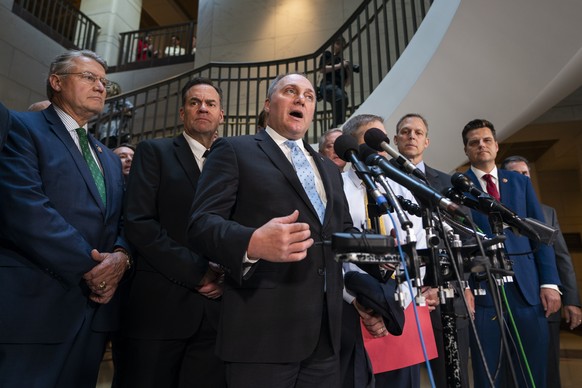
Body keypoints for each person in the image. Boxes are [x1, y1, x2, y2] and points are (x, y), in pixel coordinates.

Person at [187, 73, 354, 387]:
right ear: (267, 104)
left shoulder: (330, 169)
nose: (300, 99)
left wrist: (376, 252)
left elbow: (340, 234)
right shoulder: (234, 150)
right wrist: (251, 243)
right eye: (290, 91)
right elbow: (200, 224)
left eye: (308, 95)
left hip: (325, 335)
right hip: (261, 333)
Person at [0, 49, 131, 387]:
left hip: (93, 314)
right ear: (56, 82)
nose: (100, 87)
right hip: (34, 306)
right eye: (89, 77)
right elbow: (27, 209)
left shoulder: (109, 158)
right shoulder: (22, 127)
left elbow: (121, 221)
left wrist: (121, 256)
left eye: (104, 81)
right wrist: (93, 267)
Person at [114, 78, 226, 387]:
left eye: (210, 103)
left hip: (217, 313)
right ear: (182, 113)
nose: (202, 107)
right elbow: (140, 223)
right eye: (194, 102)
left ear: (221, 115)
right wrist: (199, 273)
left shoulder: (232, 162)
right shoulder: (155, 152)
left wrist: (227, 275)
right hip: (160, 310)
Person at [461, 119, 561, 388]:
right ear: (466, 150)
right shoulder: (457, 186)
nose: (481, 145)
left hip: (526, 289)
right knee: (488, 371)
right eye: (474, 142)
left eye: (486, 140)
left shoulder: (519, 182)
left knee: (533, 368)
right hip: (483, 293)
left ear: (496, 146)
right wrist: (465, 286)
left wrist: (549, 283)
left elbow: (539, 235)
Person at [342, 114, 438, 388]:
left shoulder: (401, 187)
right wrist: (359, 303)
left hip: (402, 314)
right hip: (353, 313)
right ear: (351, 145)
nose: (381, 147)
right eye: (371, 139)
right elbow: (331, 253)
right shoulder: (335, 187)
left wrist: (396, 304)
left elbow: (417, 243)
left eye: (382, 140)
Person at [393, 113, 471, 388]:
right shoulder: (377, 178)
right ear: (394, 140)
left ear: (426, 142)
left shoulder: (447, 183)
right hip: (396, 297)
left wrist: (459, 286)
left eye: (417, 132)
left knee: (453, 377)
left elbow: (462, 241)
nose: (411, 136)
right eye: (405, 132)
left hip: (443, 294)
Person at [501, 155, 582, 388]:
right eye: (515, 175)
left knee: (548, 370)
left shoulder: (548, 213)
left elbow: (562, 258)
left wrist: (572, 301)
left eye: (525, 173)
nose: (521, 178)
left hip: (548, 305)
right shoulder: (495, 212)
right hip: (512, 304)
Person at [318, 36, 353, 127]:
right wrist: (340, 65)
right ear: (333, 45)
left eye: (342, 45)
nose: (340, 47)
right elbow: (322, 69)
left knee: (344, 100)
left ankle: (335, 127)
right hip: (327, 85)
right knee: (342, 97)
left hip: (339, 88)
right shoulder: (328, 55)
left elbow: (347, 83)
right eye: (338, 44)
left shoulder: (343, 61)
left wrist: (348, 70)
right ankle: (337, 125)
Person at [94, 82, 133, 148]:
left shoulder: (120, 99)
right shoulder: (111, 104)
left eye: (108, 88)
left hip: (113, 132)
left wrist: (114, 114)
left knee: (110, 146)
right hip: (106, 132)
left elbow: (130, 108)